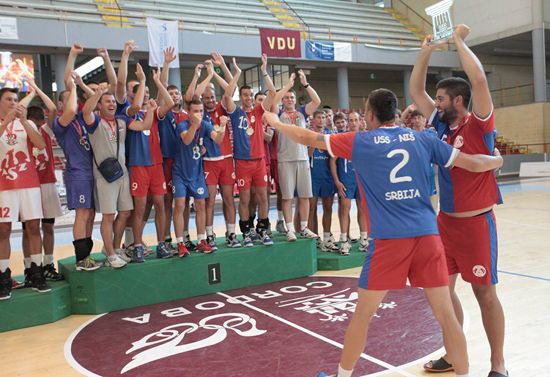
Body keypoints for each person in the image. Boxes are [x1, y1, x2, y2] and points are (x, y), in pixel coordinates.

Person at [264, 88, 504, 377]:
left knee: (363, 315)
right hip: (428, 237)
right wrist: (496, 161)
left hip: (390, 241)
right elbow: (473, 162)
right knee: (447, 316)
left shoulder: (360, 142)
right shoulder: (423, 139)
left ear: (369, 114)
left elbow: (309, 137)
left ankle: (343, 375)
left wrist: (276, 124)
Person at [410, 25, 507, 377]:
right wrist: (426, 51)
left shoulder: (479, 124)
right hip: (445, 222)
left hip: (477, 224)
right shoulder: (440, 125)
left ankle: (498, 364)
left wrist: (460, 42)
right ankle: (454, 352)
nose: (434, 103)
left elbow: (479, 80)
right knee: (441, 292)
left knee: (485, 294)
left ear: (458, 101)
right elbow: (415, 90)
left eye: (441, 98)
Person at [82, 86, 157, 267]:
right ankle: (110, 255)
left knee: (125, 212)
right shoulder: (94, 122)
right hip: (104, 176)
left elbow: (145, 125)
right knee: (108, 216)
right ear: (99, 105)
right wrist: (98, 94)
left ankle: (116, 248)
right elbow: (86, 111)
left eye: (113, 102)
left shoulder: (121, 121)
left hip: (122, 174)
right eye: (107, 101)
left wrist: (152, 111)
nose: (112, 104)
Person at [0, 87, 47, 299]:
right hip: (4, 184)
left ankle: (36, 272)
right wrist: (6, 121)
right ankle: (3, 276)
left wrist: (25, 121)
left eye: (15, 99)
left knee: (33, 228)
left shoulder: (24, 123)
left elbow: (40, 144)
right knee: (3, 231)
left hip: (29, 183)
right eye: (8, 99)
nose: (13, 102)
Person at [223, 56, 275, 247]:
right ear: (241, 97)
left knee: (262, 197)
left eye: (250, 95)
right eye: (244, 95)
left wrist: (264, 71)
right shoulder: (235, 112)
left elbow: (272, 93)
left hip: (259, 161)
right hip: (243, 162)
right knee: (244, 199)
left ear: (253, 98)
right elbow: (227, 96)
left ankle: (262, 229)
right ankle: (246, 231)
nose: (247, 98)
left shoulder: (259, 112)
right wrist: (236, 73)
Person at [172, 99, 225, 255]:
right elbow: (187, 140)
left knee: (201, 205)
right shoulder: (183, 124)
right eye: (195, 111)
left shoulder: (206, 125)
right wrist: (195, 124)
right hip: (180, 172)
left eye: (201, 111)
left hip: (197, 173)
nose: (199, 114)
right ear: (188, 112)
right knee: (180, 205)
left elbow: (218, 139)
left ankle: (202, 240)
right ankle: (180, 243)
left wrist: (221, 127)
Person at [276, 70, 320, 242]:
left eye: (292, 97)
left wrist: (305, 84)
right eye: (286, 97)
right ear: (283, 100)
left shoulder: (303, 112)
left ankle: (304, 227)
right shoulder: (278, 113)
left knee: (304, 196)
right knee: (287, 197)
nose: (289, 100)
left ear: (295, 100)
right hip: (285, 159)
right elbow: (272, 100)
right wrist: (287, 86)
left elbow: (317, 101)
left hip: (302, 159)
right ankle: (290, 229)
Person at [330, 111, 369, 255]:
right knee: (345, 208)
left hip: (361, 179)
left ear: (360, 122)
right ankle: (344, 240)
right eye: (350, 120)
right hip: (346, 179)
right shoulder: (341, 138)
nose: (353, 123)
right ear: (347, 122)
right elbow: (332, 161)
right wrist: (337, 181)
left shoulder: (365, 138)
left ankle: (364, 239)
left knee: (363, 208)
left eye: (355, 120)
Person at [308, 110, 338, 252]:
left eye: (323, 117)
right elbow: (307, 155)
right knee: (312, 209)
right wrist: (314, 141)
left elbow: (334, 155)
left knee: (328, 208)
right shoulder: (308, 134)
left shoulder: (330, 135)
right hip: (313, 176)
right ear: (313, 120)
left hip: (327, 176)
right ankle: (314, 239)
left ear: (326, 120)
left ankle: (327, 237)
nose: (321, 120)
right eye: (318, 117)